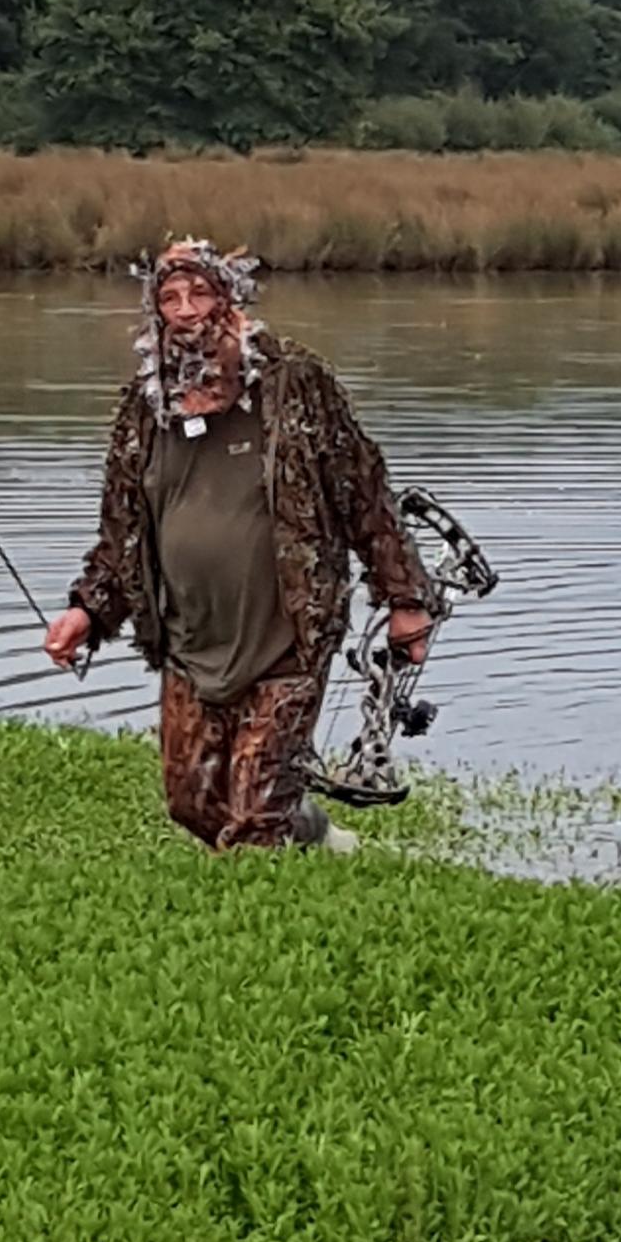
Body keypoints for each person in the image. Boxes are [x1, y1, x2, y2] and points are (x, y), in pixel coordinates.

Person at [44, 239, 439, 853]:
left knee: (253, 821)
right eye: (169, 298)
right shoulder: (142, 410)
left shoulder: (296, 385)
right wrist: (87, 612)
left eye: (200, 293)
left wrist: (407, 598)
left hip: (286, 639)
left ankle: (269, 901)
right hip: (189, 642)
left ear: (231, 303)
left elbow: (365, 493)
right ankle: (311, 830)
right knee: (192, 802)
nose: (185, 310)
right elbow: (121, 535)